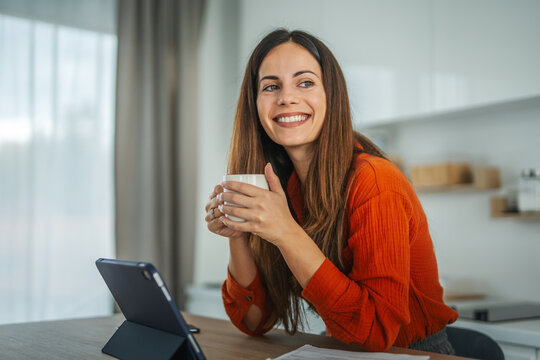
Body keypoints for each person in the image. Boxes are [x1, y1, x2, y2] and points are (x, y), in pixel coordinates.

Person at [204, 28, 458, 353]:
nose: (286, 97)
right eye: (271, 86)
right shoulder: (287, 188)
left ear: (331, 94)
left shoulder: (375, 182)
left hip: (414, 353)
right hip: (343, 348)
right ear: (254, 105)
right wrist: (237, 234)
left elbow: (378, 333)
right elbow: (253, 321)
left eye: (305, 82)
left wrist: (286, 232)